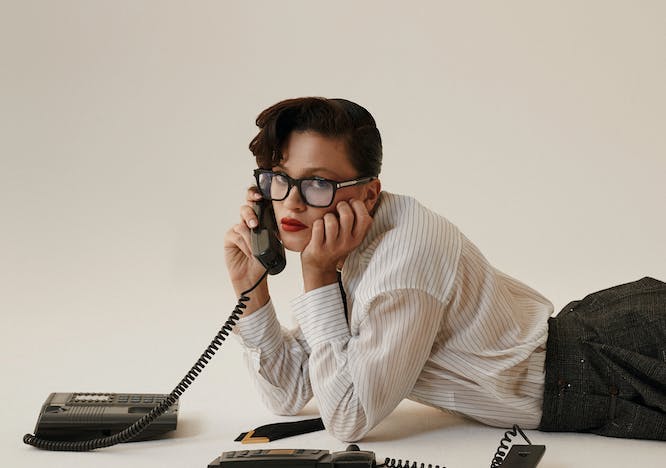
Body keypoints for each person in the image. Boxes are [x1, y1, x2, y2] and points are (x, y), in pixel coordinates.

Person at [224, 97, 666, 442]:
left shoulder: (400, 264)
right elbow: (287, 394)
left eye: (318, 182)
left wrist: (316, 276)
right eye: (278, 177)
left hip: (606, 368)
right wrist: (252, 291)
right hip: (584, 353)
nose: (292, 201)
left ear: (369, 195)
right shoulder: (348, 244)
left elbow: (347, 416)